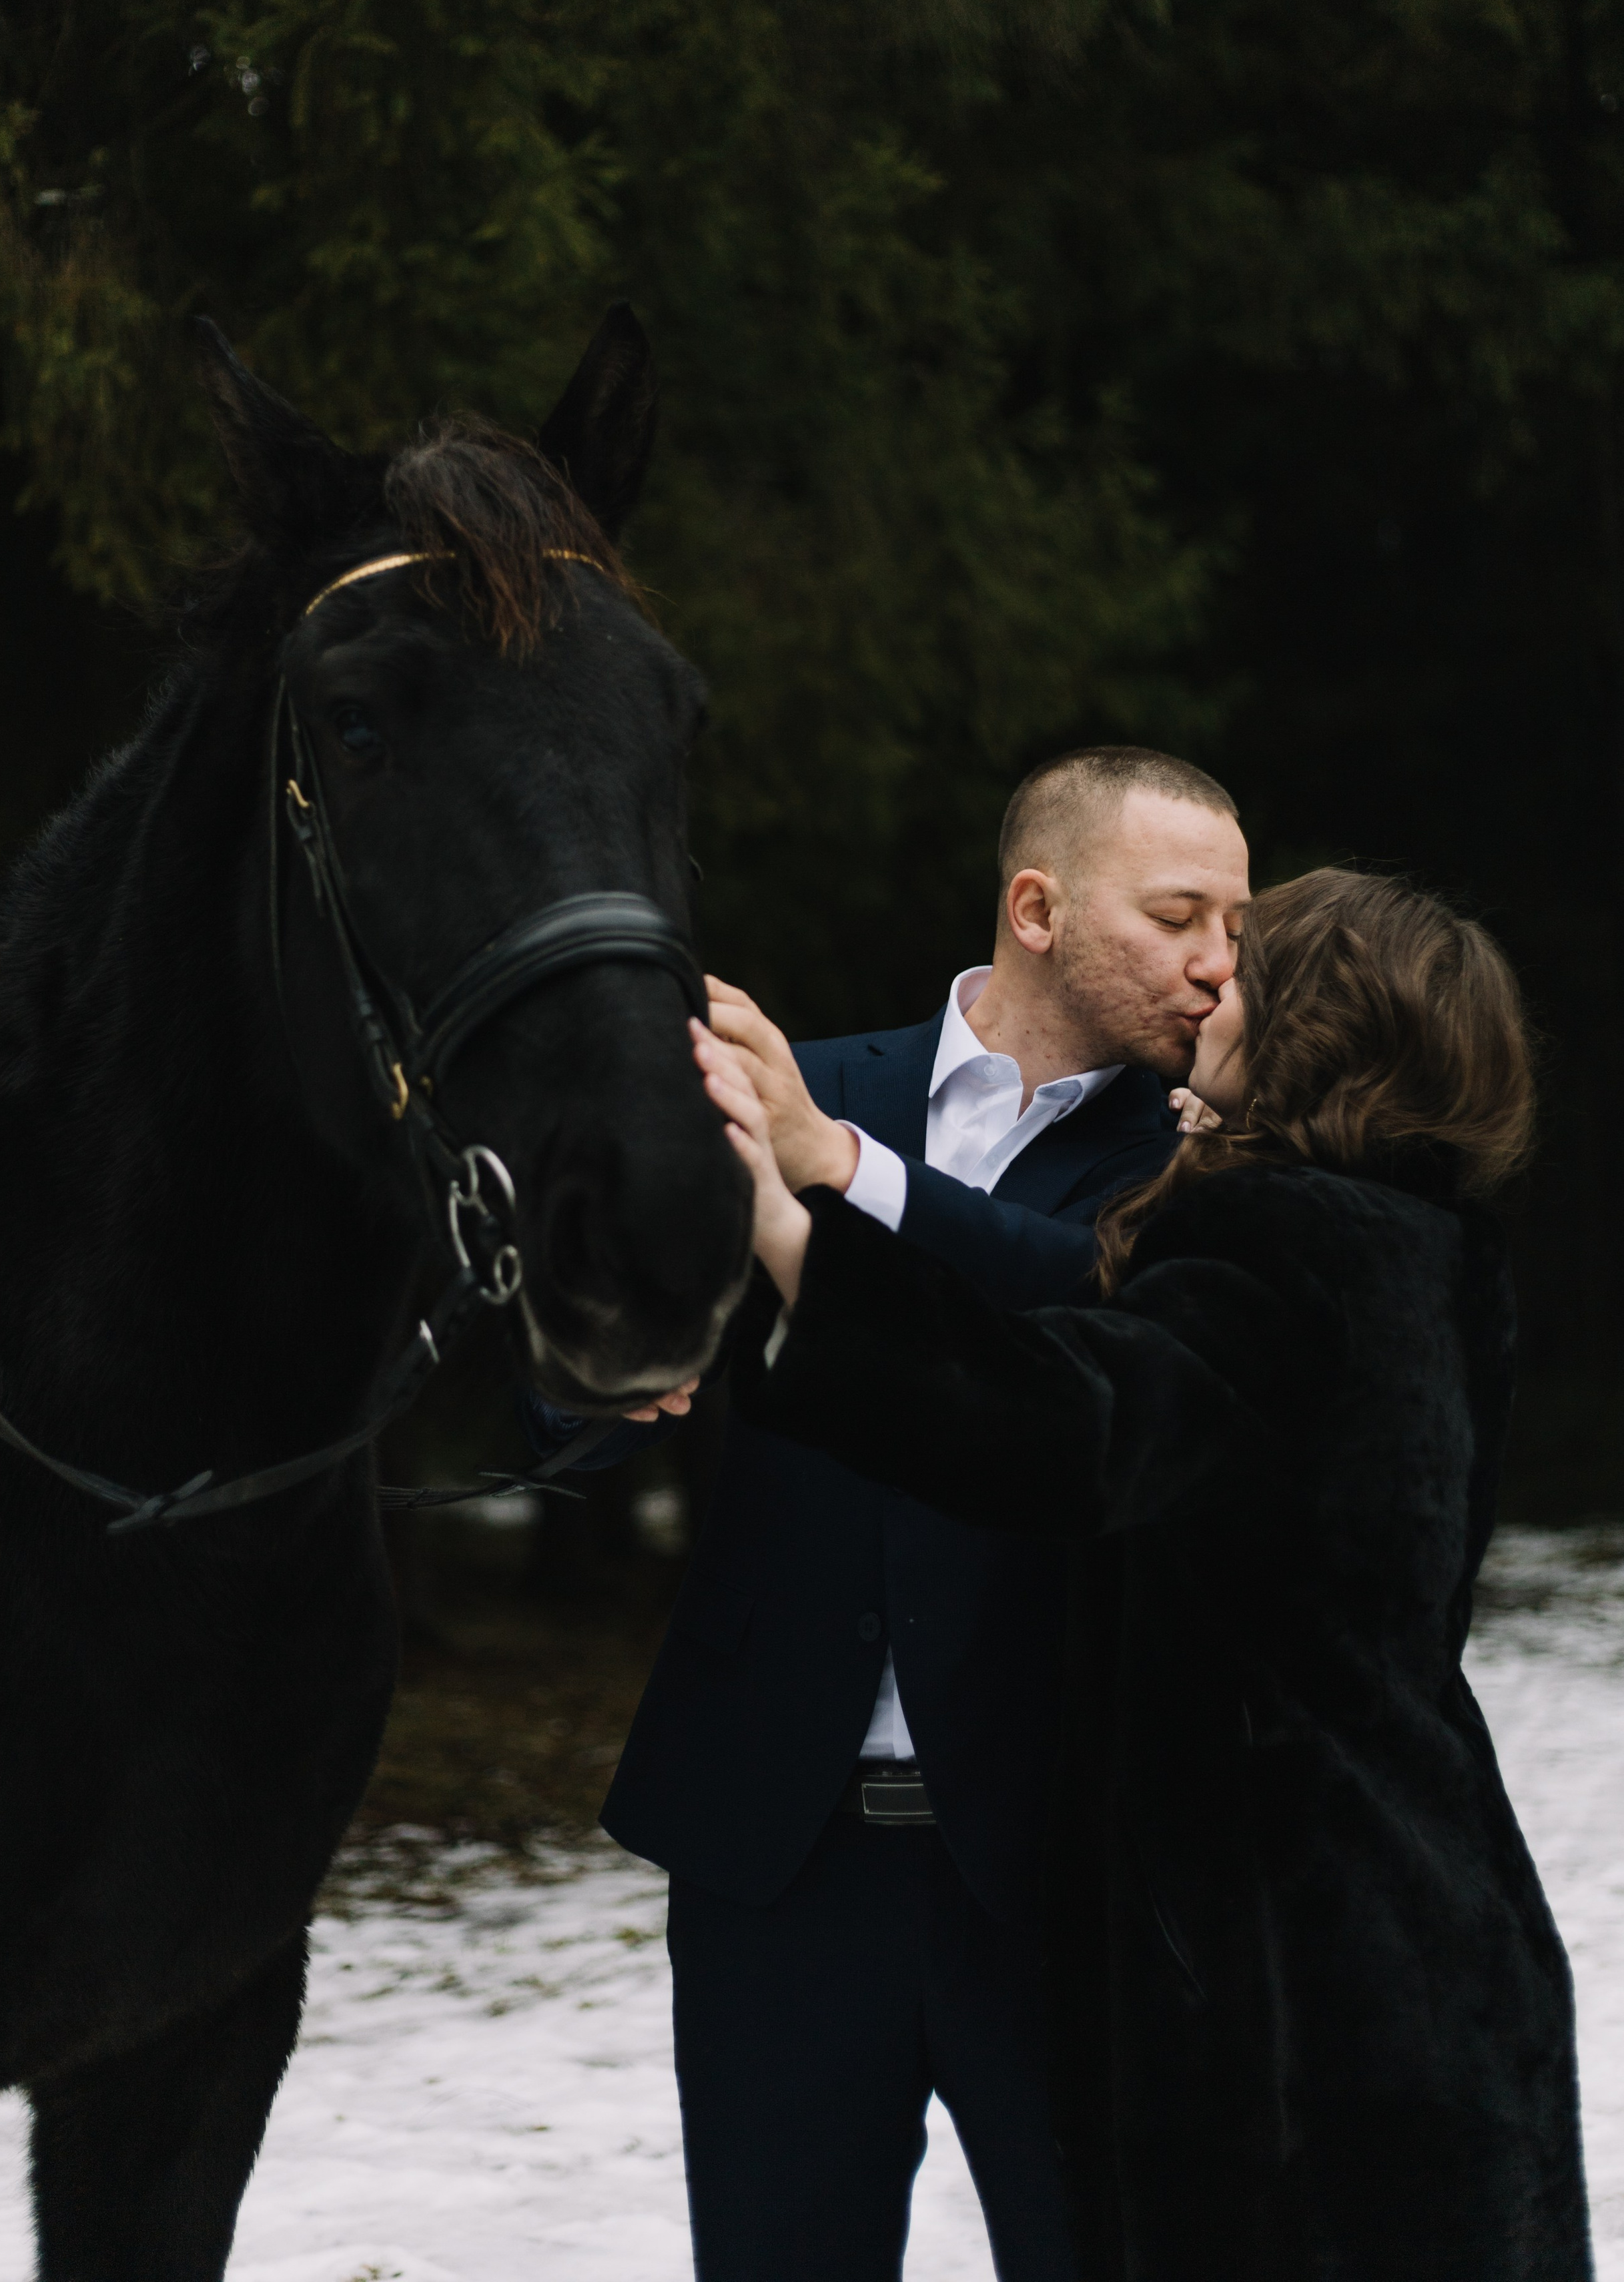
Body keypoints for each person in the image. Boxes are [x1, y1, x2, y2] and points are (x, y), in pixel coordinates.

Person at [698, 866, 1590, 2282]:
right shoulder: (1422, 1245)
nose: (1209, 985)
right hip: (1420, 1921)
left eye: (1245, 966)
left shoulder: (1290, 1242)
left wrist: (782, 1224)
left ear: (1316, 1024)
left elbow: (1064, 1423)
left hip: (1296, 1979)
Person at [519, 745, 1250, 2282]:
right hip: (770, 1856)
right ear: (1035, 908)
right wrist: (609, 1365)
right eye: (1179, 914)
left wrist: (834, 1182)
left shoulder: (1197, 1166)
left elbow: (1069, 1311)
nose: (1215, 965)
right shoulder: (805, 1084)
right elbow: (573, 1380)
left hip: (1055, 1864)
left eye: (1233, 930)